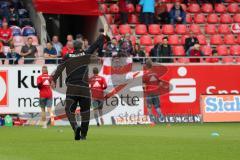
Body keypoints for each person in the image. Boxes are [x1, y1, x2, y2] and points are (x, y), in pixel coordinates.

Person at [52, 41, 92, 140]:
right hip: (85, 89)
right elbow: (96, 45)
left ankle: (75, 127)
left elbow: (59, 68)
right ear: (82, 46)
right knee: (85, 112)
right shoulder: (86, 54)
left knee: (69, 110)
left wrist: (53, 80)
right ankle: (83, 135)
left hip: (72, 88)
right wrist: (103, 36)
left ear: (73, 47)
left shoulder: (67, 56)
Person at [143, 59, 164, 124]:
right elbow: (161, 83)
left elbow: (143, 85)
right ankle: (161, 117)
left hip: (148, 92)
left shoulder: (145, 75)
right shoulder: (156, 73)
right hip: (155, 92)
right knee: (157, 106)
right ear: (152, 65)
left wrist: (144, 91)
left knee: (149, 107)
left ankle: (152, 120)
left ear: (146, 65)